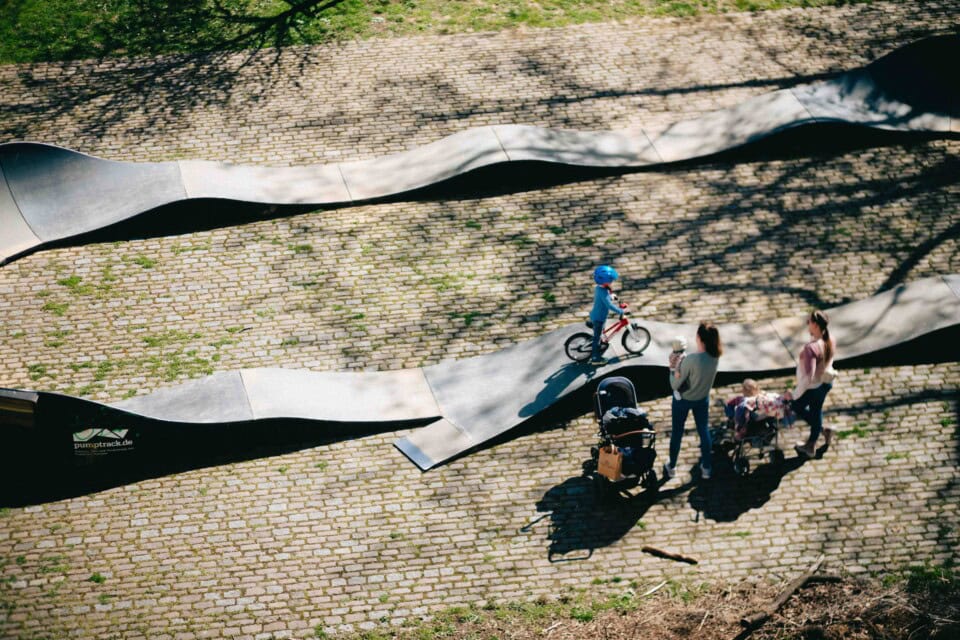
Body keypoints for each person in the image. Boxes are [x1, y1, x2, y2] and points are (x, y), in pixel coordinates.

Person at [664, 321, 723, 480]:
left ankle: (672, 466)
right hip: (702, 399)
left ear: (700, 339)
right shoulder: (715, 356)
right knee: (704, 431)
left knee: (677, 432)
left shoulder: (691, 359)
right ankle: (706, 468)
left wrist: (672, 367)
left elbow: (674, 384)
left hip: (683, 400)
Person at [785, 310, 836, 458]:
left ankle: (818, 436)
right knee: (816, 411)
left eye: (808, 322)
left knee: (794, 405)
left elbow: (808, 378)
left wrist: (793, 395)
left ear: (815, 325)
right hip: (825, 384)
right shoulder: (831, 339)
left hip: (813, 388)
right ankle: (813, 442)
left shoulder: (811, 349)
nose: (807, 324)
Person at [589, 265, 624, 366]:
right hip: (599, 318)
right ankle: (595, 358)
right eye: (610, 280)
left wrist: (611, 296)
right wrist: (620, 311)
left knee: (600, 333)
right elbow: (609, 305)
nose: (612, 282)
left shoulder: (599, 288)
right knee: (597, 338)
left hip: (597, 315)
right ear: (604, 281)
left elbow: (605, 296)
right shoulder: (603, 292)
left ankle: (599, 343)